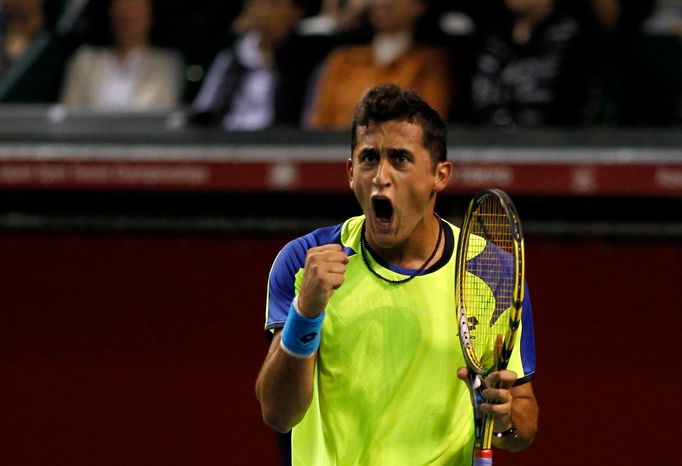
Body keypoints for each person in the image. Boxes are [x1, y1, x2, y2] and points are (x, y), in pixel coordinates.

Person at [256, 84, 538, 465]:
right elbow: (279, 413)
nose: (381, 176)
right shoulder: (305, 263)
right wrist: (306, 313)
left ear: (439, 175)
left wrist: (506, 419)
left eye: (400, 159)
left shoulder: (492, 272)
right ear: (351, 171)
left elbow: (522, 421)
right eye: (369, 158)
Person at [304, 0, 453, 129]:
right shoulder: (343, 60)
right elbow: (318, 124)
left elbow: (430, 126)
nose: (383, 2)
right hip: (337, 156)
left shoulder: (430, 63)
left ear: (419, 6)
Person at [187, 0, 326, 130]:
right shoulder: (231, 57)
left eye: (273, 4)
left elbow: (311, 118)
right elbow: (203, 109)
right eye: (257, 4)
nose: (263, 13)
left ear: (297, 12)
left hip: (280, 143)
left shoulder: (308, 60)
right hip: (227, 140)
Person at [467, 0, 594, 128]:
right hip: (487, 142)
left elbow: (577, 110)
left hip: (553, 143)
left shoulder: (573, 38)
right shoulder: (492, 32)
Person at [60, 0, 183, 111]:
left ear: (150, 14)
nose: (125, 14)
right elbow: (69, 113)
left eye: (134, 7)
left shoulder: (167, 64)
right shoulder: (85, 60)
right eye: (119, 7)